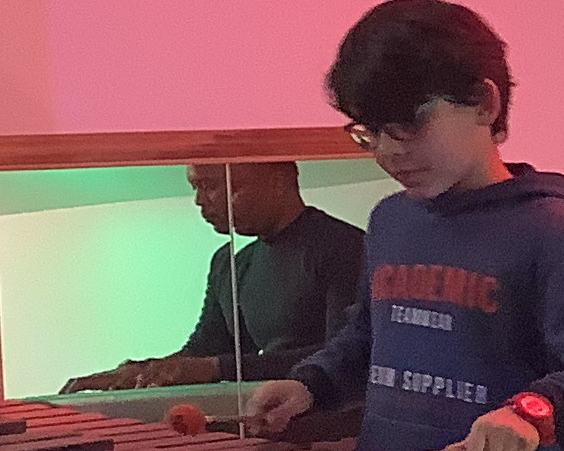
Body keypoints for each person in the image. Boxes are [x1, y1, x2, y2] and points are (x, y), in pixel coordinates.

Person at [244, 0, 564, 451]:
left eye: (409, 125)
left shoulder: (545, 227)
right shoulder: (390, 221)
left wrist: (533, 413)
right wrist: (311, 384)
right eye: (371, 133)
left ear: (484, 103)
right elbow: (368, 338)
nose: (388, 151)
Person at [64, 159, 365, 391]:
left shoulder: (344, 246)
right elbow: (208, 348)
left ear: (277, 181)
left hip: (329, 424)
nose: (199, 200)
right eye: (195, 187)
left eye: (211, 185)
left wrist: (214, 368)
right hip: (266, 415)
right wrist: (146, 371)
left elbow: (346, 354)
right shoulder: (230, 263)